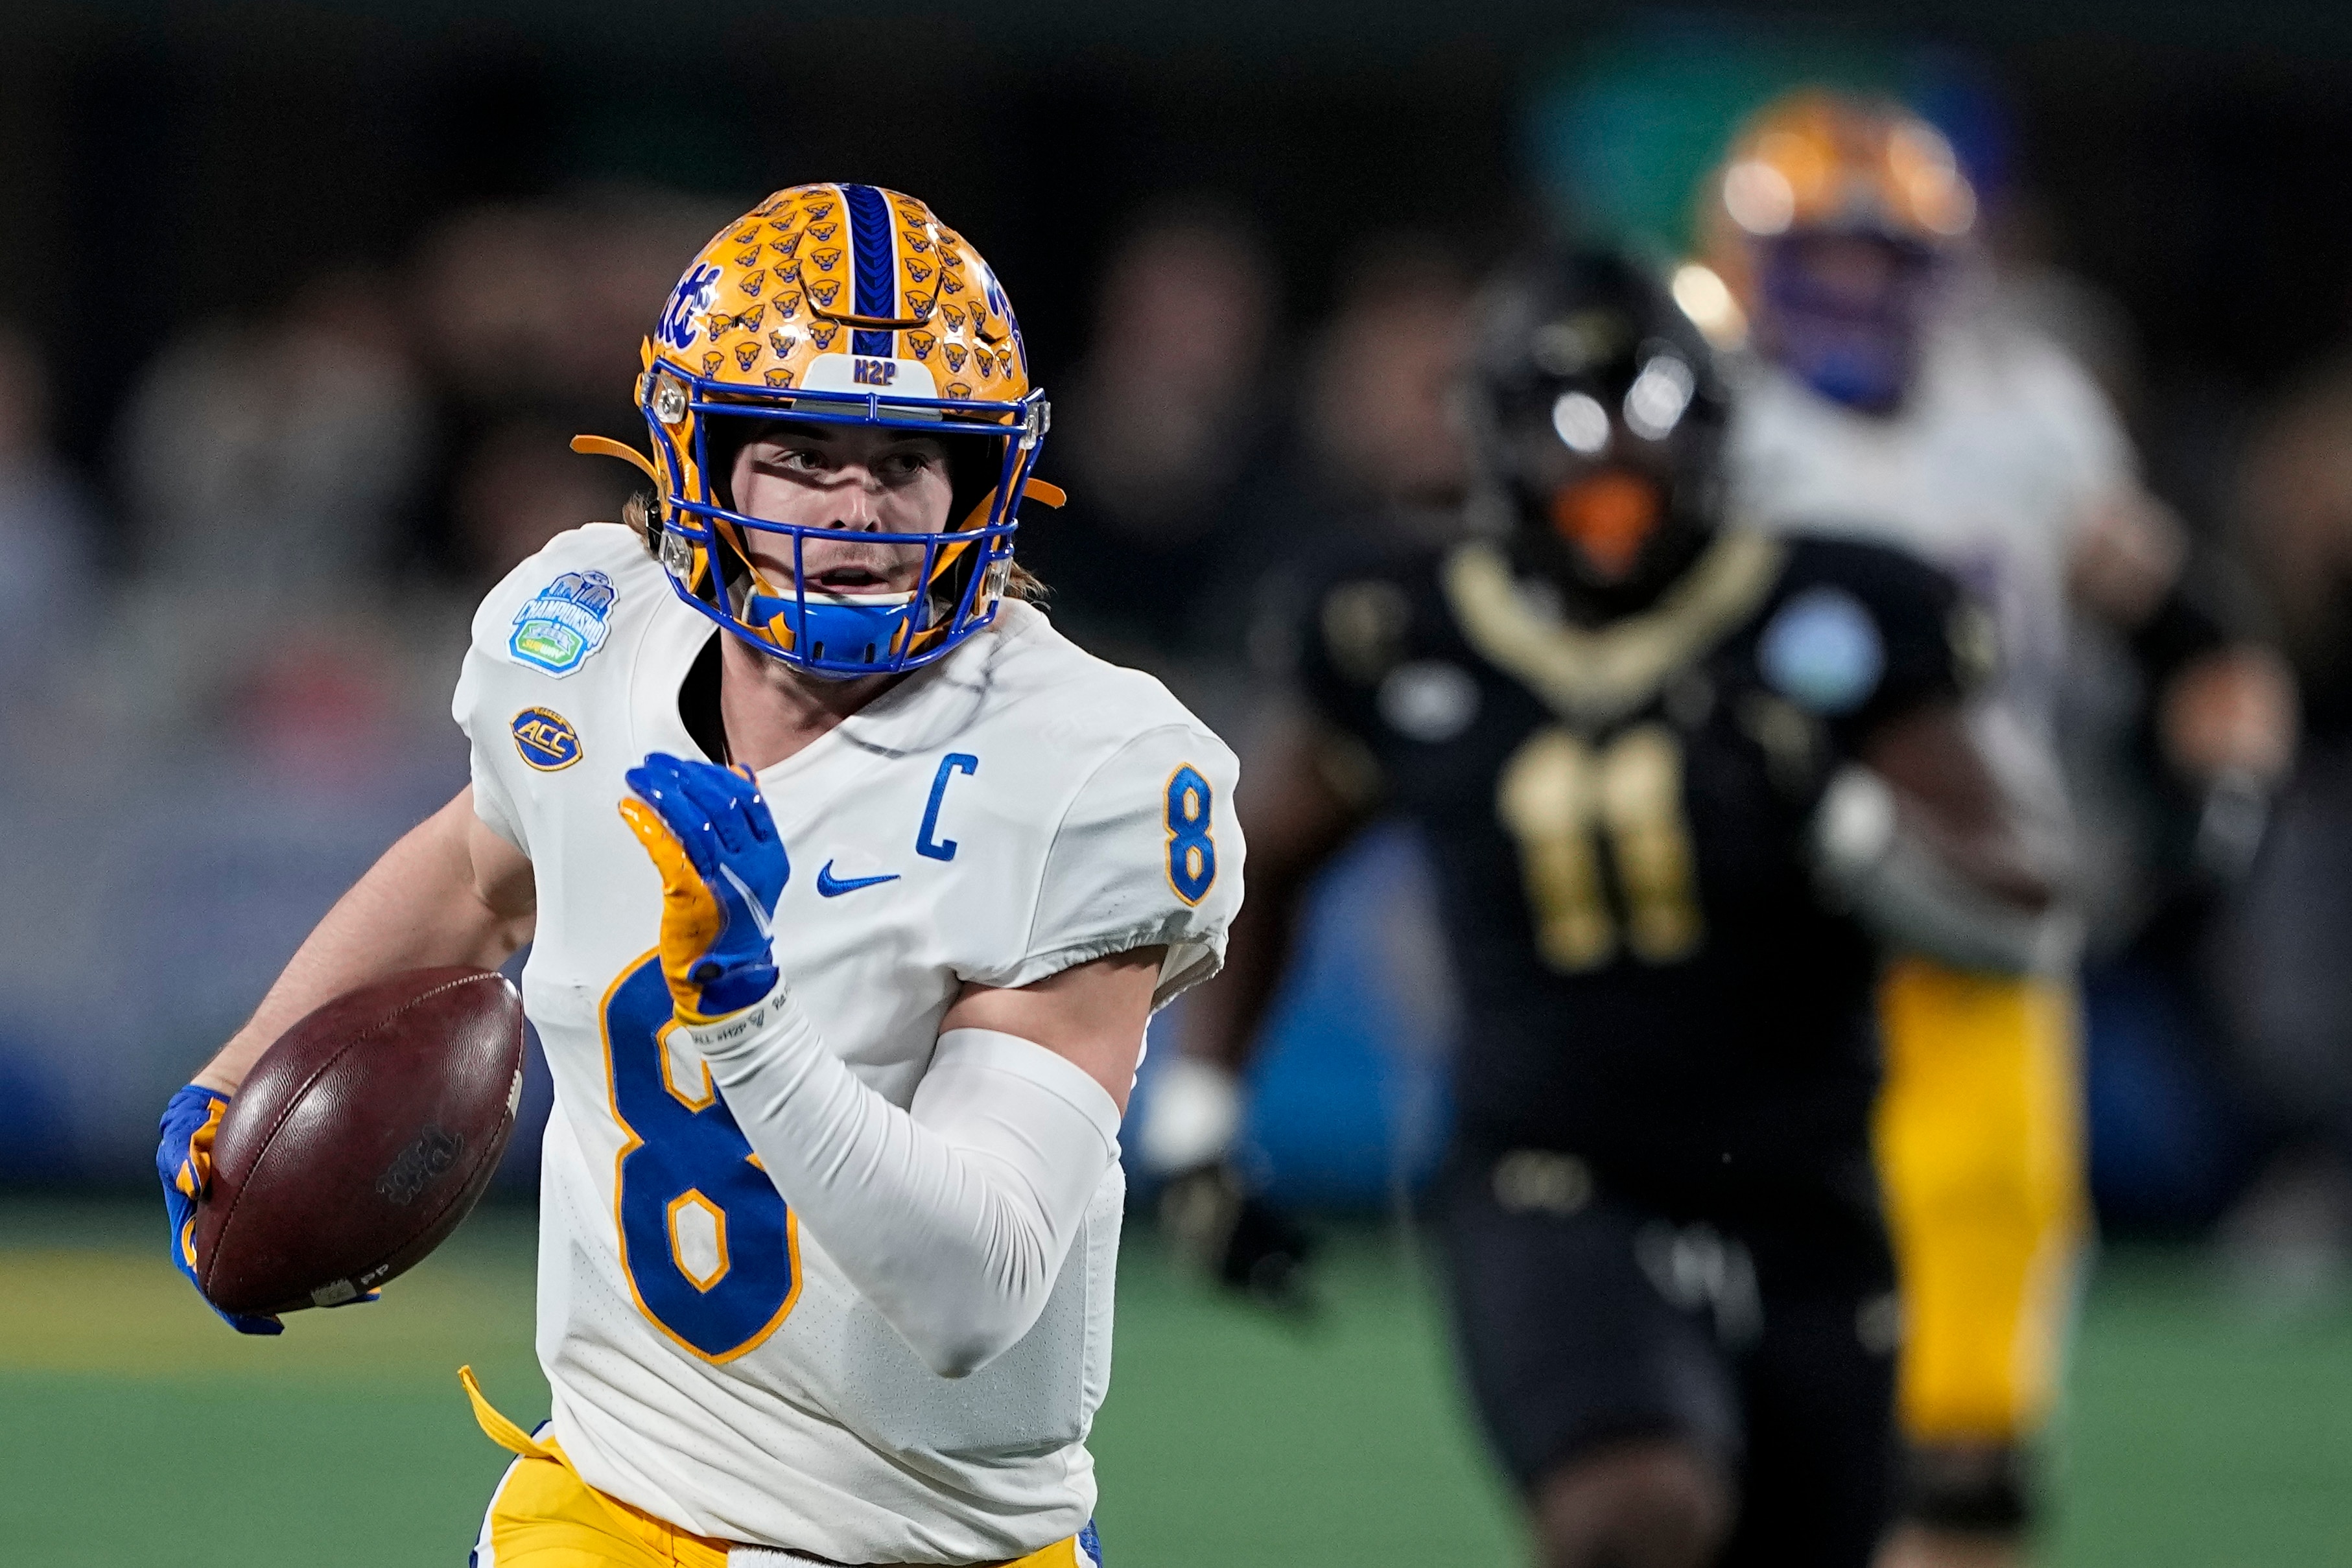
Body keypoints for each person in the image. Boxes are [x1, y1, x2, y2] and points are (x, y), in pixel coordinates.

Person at [154, 182, 1243, 1568]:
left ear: (983, 481)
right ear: (701, 462)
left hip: (929, 1542)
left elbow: (974, 1288)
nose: (859, 513)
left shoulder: (1085, 768)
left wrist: (745, 1012)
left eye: (906, 460)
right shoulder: (584, 643)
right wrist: (242, 1071)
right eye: (800, 453)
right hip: (610, 1496)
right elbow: (478, 868)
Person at [1178, 247, 2061, 1568]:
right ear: (1489, 442)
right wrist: (1202, 1120)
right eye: (1573, 457)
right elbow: (1263, 865)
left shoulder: (1830, 608)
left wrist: (1841, 819)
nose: (1611, 502)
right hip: (1550, 1171)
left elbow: (2023, 905)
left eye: (1644, 457)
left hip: (1803, 1182)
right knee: (1635, 1512)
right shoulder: (1398, 622)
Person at [1700, 90, 2296, 1568]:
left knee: (1971, 1446)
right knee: (1738, 1418)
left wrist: (2219, 762)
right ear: (1739, 257)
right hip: (1759, 959)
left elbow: (2182, 622)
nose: (1848, 292)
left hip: (1981, 928)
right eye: (1817, 257)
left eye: (1879, 258)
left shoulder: (2023, 419)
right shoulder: (1700, 429)